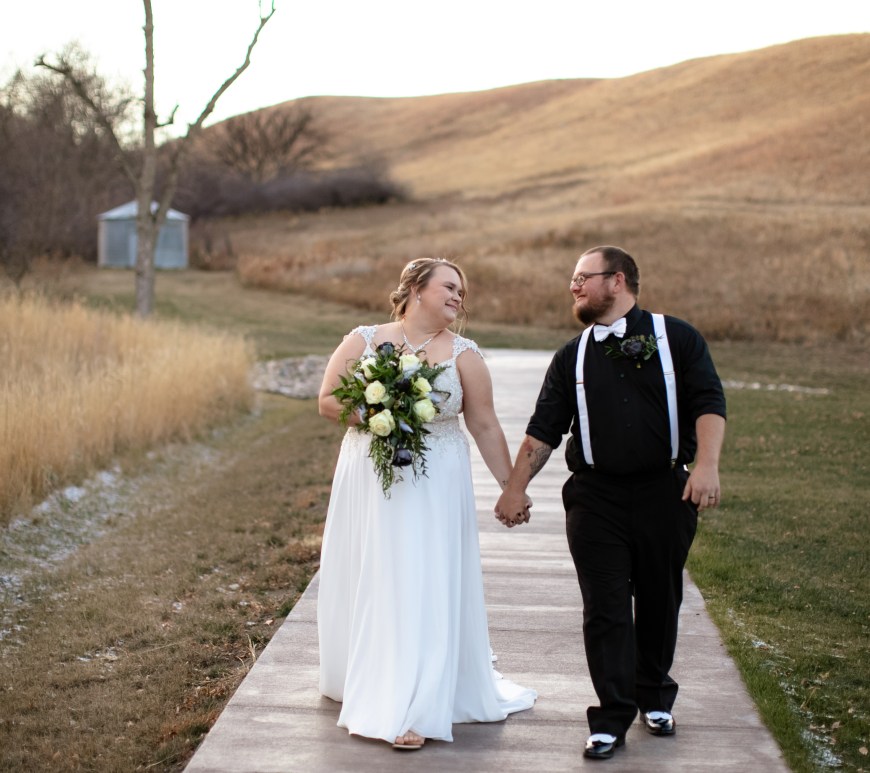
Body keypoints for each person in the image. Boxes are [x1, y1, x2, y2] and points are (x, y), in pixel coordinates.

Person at [495, 245, 726, 760]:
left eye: (583, 277)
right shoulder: (571, 355)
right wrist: (515, 487)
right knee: (605, 607)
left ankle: (655, 696)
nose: (573, 286)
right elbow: (544, 429)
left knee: (660, 599)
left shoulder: (676, 337)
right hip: (595, 497)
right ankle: (611, 717)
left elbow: (709, 401)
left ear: (617, 280)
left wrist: (707, 466)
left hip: (665, 492)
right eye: (573, 279)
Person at [317, 257, 536, 751]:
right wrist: (382, 412)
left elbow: (484, 424)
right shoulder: (364, 339)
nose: (459, 297)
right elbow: (328, 400)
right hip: (370, 476)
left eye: (462, 292)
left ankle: (416, 703)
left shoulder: (465, 355)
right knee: (377, 572)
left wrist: (511, 487)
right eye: (450, 287)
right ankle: (369, 678)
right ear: (417, 288)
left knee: (422, 578)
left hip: (436, 481)